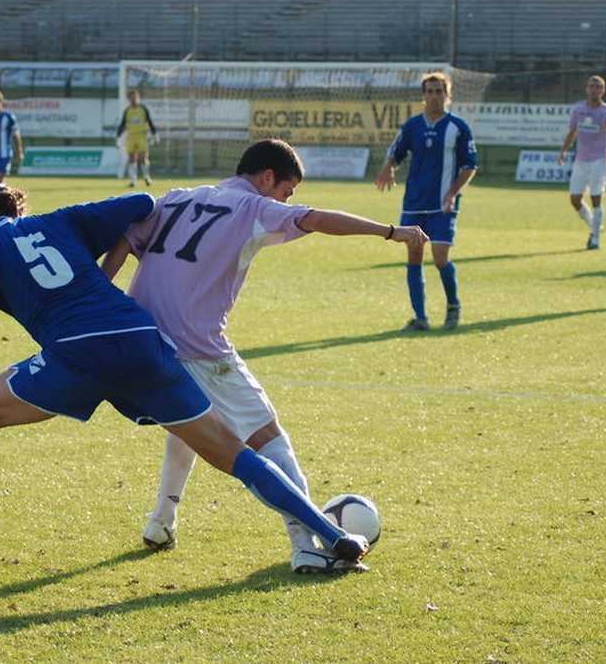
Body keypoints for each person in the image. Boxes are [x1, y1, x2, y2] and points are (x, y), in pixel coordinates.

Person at [0, 184, 370, 573]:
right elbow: (143, 201)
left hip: (75, 353)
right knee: (231, 452)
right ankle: (332, 534)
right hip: (142, 339)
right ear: (18, 209)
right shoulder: (60, 220)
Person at [100, 139, 427, 573]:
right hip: (198, 347)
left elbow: (124, 239)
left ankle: (161, 522)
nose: (286, 201)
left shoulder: (177, 198)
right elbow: (317, 219)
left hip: (143, 344)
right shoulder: (252, 207)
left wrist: (102, 302)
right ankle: (306, 546)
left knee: (189, 424)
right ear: (267, 177)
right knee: (271, 442)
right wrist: (391, 231)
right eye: (286, 191)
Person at [375, 71, 478, 331]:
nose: (434, 96)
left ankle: (453, 306)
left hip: (443, 203)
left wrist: (453, 192)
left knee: (440, 256)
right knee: (414, 254)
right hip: (414, 202)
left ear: (448, 95)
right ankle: (420, 317)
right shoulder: (412, 126)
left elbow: (470, 165)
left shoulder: (458, 127)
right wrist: (388, 167)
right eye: (429, 91)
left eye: (439, 91)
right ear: (424, 95)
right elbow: (396, 151)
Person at [558, 75, 606, 250]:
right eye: (591, 86)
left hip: (599, 160)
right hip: (580, 160)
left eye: (598, 86)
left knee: (596, 198)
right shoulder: (578, 110)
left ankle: (595, 239)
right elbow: (572, 132)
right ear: (587, 89)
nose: (594, 89)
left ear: (603, 90)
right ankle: (595, 225)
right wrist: (563, 151)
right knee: (575, 199)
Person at [116, 89, 158, 188]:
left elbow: (150, 121)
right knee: (132, 158)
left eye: (135, 97)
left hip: (141, 136)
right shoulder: (127, 111)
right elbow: (122, 124)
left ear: (138, 98)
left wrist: (155, 134)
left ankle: (146, 177)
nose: (134, 99)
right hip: (131, 136)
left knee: (143, 158)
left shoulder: (143, 109)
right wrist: (118, 137)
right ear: (129, 99)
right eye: (131, 97)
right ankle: (133, 180)